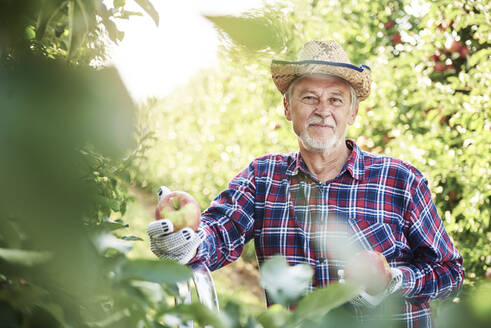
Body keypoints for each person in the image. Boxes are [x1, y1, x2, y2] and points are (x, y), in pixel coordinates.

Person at [148, 40, 464, 327]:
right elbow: (219, 234)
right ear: (288, 107)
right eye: (309, 98)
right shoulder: (263, 178)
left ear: (352, 112)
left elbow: (450, 272)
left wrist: (395, 280)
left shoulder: (400, 180)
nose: (323, 110)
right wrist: (187, 242)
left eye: (336, 100)